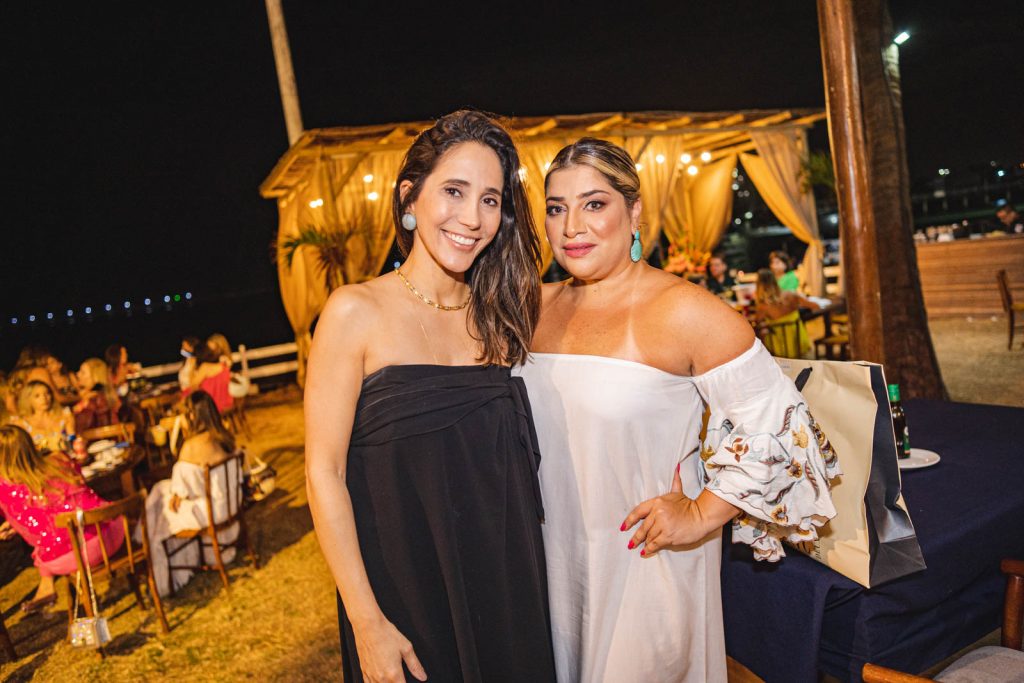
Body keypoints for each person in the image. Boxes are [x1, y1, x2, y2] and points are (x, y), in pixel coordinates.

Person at [515, 138, 839, 682]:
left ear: (634, 211)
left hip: (640, 562)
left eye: (594, 204)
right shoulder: (533, 306)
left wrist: (702, 513)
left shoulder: (685, 311)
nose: (571, 226)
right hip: (546, 561)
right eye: (556, 207)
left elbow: (785, 427)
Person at [304, 110, 556, 683]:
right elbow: (323, 474)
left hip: (507, 585)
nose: (472, 218)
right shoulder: (354, 311)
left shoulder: (500, 317)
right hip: (406, 595)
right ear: (409, 198)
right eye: (454, 191)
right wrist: (367, 622)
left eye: (490, 200)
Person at [0, 425, 125, 613]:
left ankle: (47, 585)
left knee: (44, 548)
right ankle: (47, 586)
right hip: (109, 537)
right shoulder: (60, 461)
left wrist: (16, 525)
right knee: (62, 532)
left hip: (68, 558)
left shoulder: (6, 490)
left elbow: (34, 532)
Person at [143, 391, 240, 596]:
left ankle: (161, 572)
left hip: (211, 513)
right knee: (160, 490)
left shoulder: (191, 446)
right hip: (231, 505)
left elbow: (179, 494)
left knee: (158, 506)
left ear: (192, 415)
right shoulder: (225, 436)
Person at [754, 267, 820, 358]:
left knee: (761, 334)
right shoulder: (791, 294)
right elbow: (816, 306)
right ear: (775, 280)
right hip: (800, 342)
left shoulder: (763, 306)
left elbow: (757, 322)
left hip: (780, 348)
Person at [11, 381, 75, 453]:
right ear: (28, 399)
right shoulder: (21, 424)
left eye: (47, 393)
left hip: (66, 456)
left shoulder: (64, 415)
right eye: (37, 396)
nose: (44, 398)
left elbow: (73, 439)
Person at [186, 337, 233, 413]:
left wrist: (191, 367)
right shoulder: (225, 365)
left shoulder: (205, 367)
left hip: (211, 405)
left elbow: (192, 385)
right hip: (225, 402)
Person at [72, 358, 119, 433]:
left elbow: (82, 428)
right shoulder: (102, 395)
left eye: (83, 372)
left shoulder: (95, 399)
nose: (78, 374)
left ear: (95, 376)